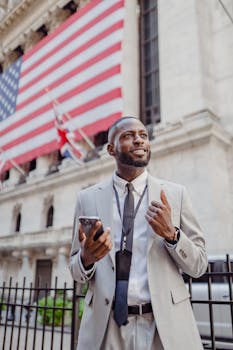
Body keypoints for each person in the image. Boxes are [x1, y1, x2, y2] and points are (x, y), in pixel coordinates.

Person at [69, 116, 208, 350]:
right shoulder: (87, 198)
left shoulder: (176, 194)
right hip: (106, 329)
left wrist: (172, 235)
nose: (139, 141)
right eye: (128, 136)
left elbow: (199, 266)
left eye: (143, 136)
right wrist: (86, 259)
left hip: (163, 328)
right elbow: (75, 271)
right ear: (111, 149)